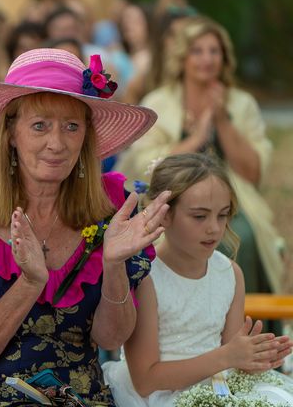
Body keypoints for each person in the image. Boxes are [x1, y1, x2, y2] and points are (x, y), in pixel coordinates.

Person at [0, 48, 170, 406]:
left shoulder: (110, 212)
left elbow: (111, 339)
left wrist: (113, 265)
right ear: (10, 133)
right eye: (40, 126)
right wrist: (30, 284)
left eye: (72, 126)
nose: (57, 143)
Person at [102, 153, 293, 406]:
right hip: (162, 395)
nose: (214, 228)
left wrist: (253, 359)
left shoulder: (230, 273)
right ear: (164, 214)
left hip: (219, 386)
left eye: (223, 215)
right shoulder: (147, 277)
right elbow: (145, 380)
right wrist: (227, 357)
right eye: (199, 216)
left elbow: (231, 357)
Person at [115, 16, 286, 296]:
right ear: (182, 57)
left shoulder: (241, 104)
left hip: (231, 200)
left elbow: (253, 173)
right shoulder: (159, 101)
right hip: (169, 198)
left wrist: (222, 121)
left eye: (214, 51)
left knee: (241, 237)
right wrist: (195, 139)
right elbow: (140, 162)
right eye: (197, 51)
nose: (206, 59)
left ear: (224, 57)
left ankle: (239, 317)